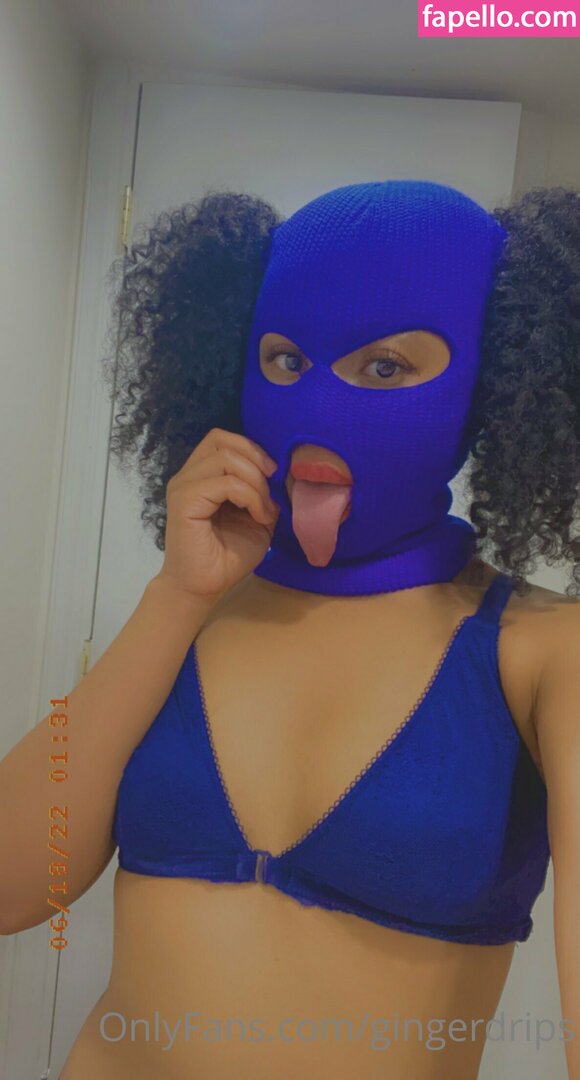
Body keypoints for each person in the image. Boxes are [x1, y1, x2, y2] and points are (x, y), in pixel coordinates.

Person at [1, 179, 579, 1080]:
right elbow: (10, 890)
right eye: (284, 360)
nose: (314, 406)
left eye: (384, 367)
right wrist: (175, 595)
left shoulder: (542, 650)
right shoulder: (191, 616)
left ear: (495, 383)